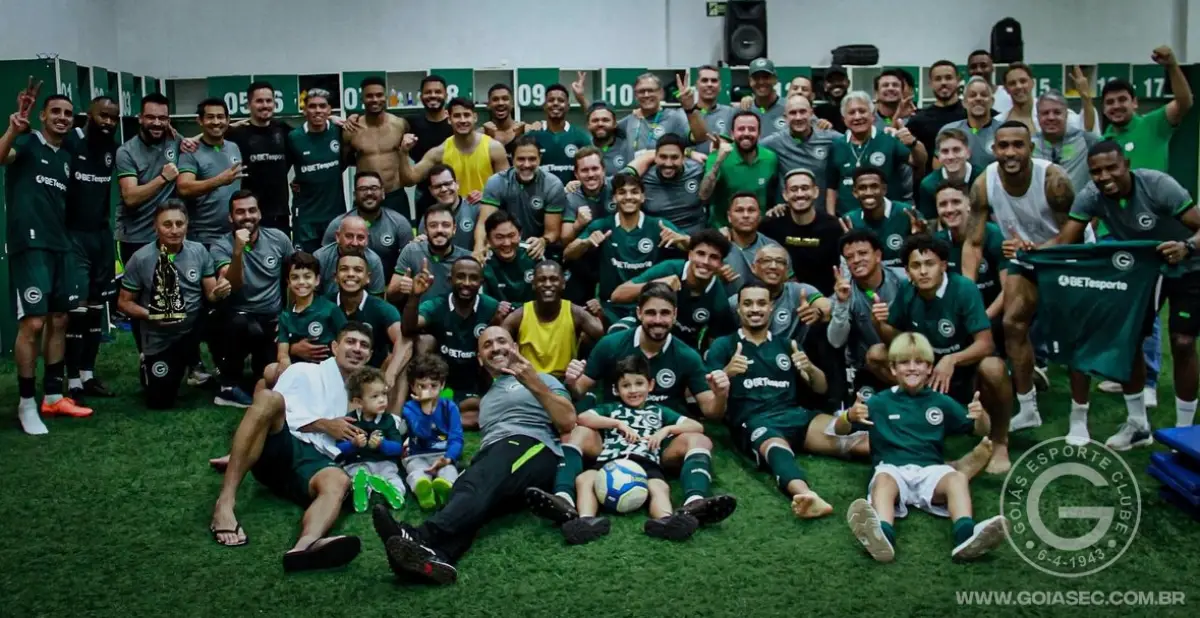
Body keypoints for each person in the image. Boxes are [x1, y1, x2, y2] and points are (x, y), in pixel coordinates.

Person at [527, 284, 736, 542]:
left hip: (656, 447)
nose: (657, 319)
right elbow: (580, 393)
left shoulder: (686, 356)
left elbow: (709, 413)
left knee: (698, 442)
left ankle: (692, 505)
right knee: (577, 437)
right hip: (609, 445)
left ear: (674, 315)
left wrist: (721, 394)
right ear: (638, 313)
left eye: (664, 313)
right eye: (650, 312)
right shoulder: (611, 345)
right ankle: (566, 503)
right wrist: (572, 381)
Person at [373, 326, 576, 584]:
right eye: (487, 345)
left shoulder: (544, 379)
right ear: (480, 359)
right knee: (465, 492)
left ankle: (418, 536)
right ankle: (436, 559)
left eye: (501, 341)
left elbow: (568, 421)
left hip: (531, 446)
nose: (496, 348)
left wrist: (533, 382)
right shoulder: (488, 397)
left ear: (515, 348)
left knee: (477, 482)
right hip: (495, 456)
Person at [1057, 141, 1200, 442]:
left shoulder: (1158, 185)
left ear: (1127, 165)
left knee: (1183, 342)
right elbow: (1064, 242)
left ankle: (1184, 431)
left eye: (1111, 168)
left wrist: (1186, 247)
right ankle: (1138, 426)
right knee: (1130, 340)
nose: (1104, 176)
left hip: (1188, 266)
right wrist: (1029, 249)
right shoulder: (1090, 195)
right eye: (1096, 171)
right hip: (1144, 271)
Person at [209, 322, 374, 571]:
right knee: (269, 398)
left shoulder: (361, 393)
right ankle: (225, 504)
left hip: (316, 462)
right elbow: (270, 414)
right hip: (283, 446)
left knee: (339, 482)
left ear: (369, 356)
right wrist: (323, 424)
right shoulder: (303, 371)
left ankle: (304, 547)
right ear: (334, 346)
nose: (357, 349)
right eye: (350, 342)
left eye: (364, 345)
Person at [838, 332, 1007, 563]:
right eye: (904, 362)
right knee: (883, 481)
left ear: (929, 368)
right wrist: (848, 416)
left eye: (919, 362)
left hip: (930, 470)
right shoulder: (879, 402)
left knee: (957, 479)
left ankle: (966, 535)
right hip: (893, 469)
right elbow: (838, 429)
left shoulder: (941, 402)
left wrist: (981, 416)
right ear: (893, 369)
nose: (912, 368)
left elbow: (980, 430)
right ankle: (882, 534)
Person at [962, 121, 1078, 439]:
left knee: (1073, 336)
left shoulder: (1053, 180)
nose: (1010, 152)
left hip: (1068, 257)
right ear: (994, 149)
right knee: (1012, 324)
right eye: (1003, 146)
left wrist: (1038, 250)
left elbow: (1074, 232)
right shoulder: (984, 183)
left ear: (1031, 148)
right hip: (1026, 259)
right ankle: (1027, 408)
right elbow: (973, 242)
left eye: (1018, 145)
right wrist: (967, 288)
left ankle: (1080, 413)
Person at [864, 235, 1014, 474]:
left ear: (943, 265)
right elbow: (896, 342)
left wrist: (952, 359)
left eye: (930, 264)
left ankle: (999, 441)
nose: (923, 271)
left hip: (967, 370)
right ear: (908, 271)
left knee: (994, 368)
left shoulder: (964, 289)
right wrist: (878, 323)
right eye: (916, 266)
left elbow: (985, 344)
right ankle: (921, 415)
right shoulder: (907, 291)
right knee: (876, 355)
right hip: (928, 372)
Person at [707, 285, 857, 519]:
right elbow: (711, 408)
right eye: (748, 303)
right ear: (738, 309)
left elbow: (821, 388)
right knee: (777, 449)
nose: (755, 309)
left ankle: (908, 463)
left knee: (852, 437)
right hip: (755, 421)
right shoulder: (723, 346)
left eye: (761, 303)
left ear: (771, 307)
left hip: (795, 415)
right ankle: (807, 496)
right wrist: (727, 373)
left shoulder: (787, 344)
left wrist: (810, 368)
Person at [2, 87, 93, 433]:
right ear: (43, 115)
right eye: (55, 111)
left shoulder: (66, 156)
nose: (62, 118)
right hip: (30, 244)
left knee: (60, 318)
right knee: (34, 323)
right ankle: (26, 403)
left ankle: (53, 396)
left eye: (68, 113)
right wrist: (12, 129)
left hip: (61, 245)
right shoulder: (28, 144)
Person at [566, 355, 708, 543]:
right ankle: (586, 521)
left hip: (645, 460)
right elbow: (583, 417)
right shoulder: (611, 408)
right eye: (626, 385)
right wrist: (617, 424)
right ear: (616, 390)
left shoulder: (658, 411)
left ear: (650, 385)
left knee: (659, 486)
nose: (633, 390)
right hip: (611, 460)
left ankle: (665, 521)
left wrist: (666, 430)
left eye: (639, 383)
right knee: (585, 479)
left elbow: (696, 426)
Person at [118, 201, 230, 409]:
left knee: (226, 316)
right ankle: (150, 363)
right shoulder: (140, 258)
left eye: (180, 224)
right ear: (155, 226)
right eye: (167, 224)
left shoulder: (199, 251)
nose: (175, 230)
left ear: (187, 225)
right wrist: (152, 315)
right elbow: (124, 303)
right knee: (160, 401)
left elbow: (211, 295)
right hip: (161, 336)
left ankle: (225, 376)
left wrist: (220, 290)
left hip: (193, 327)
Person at [564, 173, 689, 325]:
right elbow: (568, 254)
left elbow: (694, 248)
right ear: (614, 198)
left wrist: (682, 239)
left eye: (634, 192)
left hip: (649, 305)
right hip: (610, 307)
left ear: (643, 197)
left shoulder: (658, 225)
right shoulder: (602, 225)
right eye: (622, 192)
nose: (628, 197)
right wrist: (586, 243)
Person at [209, 190, 294, 407]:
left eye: (252, 210)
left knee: (267, 376)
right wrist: (238, 251)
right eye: (240, 212)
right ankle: (227, 387)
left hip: (271, 318)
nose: (247, 216)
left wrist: (288, 317)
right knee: (233, 322)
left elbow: (293, 279)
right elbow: (234, 284)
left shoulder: (279, 239)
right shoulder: (220, 245)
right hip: (238, 318)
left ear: (260, 213)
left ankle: (256, 373)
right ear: (230, 217)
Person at [64, 96, 120, 403]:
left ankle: (88, 374)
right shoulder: (71, 141)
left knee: (98, 307)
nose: (108, 122)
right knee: (78, 310)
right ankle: (72, 380)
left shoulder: (112, 148)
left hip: (101, 236)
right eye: (103, 116)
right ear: (89, 115)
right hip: (74, 237)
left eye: (113, 117)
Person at [402, 256, 498, 428]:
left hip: (474, 381)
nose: (466, 283)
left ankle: (441, 413)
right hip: (443, 380)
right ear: (450, 279)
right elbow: (408, 328)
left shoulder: (491, 307)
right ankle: (439, 404)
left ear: (481, 282)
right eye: (460, 276)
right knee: (424, 340)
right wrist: (415, 296)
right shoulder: (437, 304)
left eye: (473, 278)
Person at [613, 229, 736, 350]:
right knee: (618, 331)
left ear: (721, 263)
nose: (705, 261)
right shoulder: (669, 268)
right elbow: (617, 295)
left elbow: (715, 344)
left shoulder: (719, 298)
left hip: (680, 347)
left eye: (714, 257)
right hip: (642, 328)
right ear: (690, 255)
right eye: (700, 254)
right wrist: (656, 284)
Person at [827, 229, 907, 404]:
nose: (856, 260)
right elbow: (836, 341)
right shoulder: (844, 293)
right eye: (849, 257)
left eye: (862, 253)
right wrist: (842, 304)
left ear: (878, 256)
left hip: (909, 356)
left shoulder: (904, 280)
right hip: (870, 368)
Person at [932, 181, 1008, 351]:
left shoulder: (993, 234)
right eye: (943, 204)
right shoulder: (937, 242)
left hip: (993, 312)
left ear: (969, 205)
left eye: (956, 202)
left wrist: (981, 319)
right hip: (958, 316)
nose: (949, 209)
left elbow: (1008, 290)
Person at [827, 91, 926, 215]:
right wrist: (831, 218)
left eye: (862, 111)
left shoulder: (889, 139)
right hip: (848, 218)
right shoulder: (836, 145)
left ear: (872, 115)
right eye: (851, 113)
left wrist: (913, 143)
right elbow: (831, 187)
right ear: (844, 119)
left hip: (888, 218)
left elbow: (919, 161)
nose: (857, 117)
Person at [502, 260, 605, 378]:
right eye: (542, 279)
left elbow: (602, 338)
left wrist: (599, 314)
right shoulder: (519, 315)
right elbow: (499, 341)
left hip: (563, 382)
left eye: (553, 279)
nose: (547, 284)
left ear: (563, 283)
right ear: (533, 284)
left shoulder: (575, 313)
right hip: (528, 380)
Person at [1100, 46, 1193, 174]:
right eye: (1110, 102)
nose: (1116, 106)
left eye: (1122, 99)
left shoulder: (1153, 124)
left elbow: (1184, 102)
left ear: (1134, 103)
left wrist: (1172, 66)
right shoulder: (1102, 143)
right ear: (1104, 109)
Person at [399, 97, 509, 204]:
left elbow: (507, 186)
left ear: (475, 117)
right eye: (457, 116)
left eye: (467, 115)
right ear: (449, 119)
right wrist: (403, 152)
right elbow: (410, 180)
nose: (462, 120)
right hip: (454, 213)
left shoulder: (494, 148)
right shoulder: (439, 152)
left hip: (486, 210)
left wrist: (486, 195)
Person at [116, 93, 182, 266]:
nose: (157, 123)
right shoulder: (127, 151)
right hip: (136, 237)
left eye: (162, 118)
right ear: (140, 118)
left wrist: (231, 127)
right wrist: (163, 178)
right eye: (151, 117)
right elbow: (130, 197)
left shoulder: (174, 140)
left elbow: (198, 142)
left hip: (169, 235)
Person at [329, 251, 407, 395]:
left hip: (371, 378)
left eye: (358, 270)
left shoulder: (382, 309)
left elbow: (404, 341)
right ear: (335, 277)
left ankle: (392, 410)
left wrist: (390, 374)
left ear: (367, 278)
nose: (351, 274)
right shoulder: (325, 305)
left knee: (400, 364)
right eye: (344, 269)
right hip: (331, 376)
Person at [475, 135, 566, 255]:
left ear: (540, 159)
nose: (526, 164)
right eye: (521, 159)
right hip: (502, 246)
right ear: (512, 159)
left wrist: (543, 241)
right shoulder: (496, 182)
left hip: (536, 249)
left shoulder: (552, 185)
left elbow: (552, 232)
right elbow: (484, 222)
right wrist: (478, 248)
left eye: (532, 159)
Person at [268, 252, 346, 384]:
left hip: (326, 370)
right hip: (298, 369)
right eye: (295, 277)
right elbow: (283, 352)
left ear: (317, 280)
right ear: (288, 282)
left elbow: (346, 338)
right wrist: (284, 361)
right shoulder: (285, 316)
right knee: (269, 372)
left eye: (307, 277)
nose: (301, 282)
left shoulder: (330, 309)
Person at [225, 81, 293, 233]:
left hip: (279, 214)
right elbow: (210, 141)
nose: (265, 105)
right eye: (259, 101)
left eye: (269, 101)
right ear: (248, 105)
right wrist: (191, 141)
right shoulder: (235, 134)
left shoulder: (284, 131)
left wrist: (333, 119)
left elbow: (310, 136)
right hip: (247, 214)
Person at [762, 169, 843, 294]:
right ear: (785, 195)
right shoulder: (771, 225)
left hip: (826, 297)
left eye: (805, 188)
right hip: (783, 297)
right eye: (794, 189)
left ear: (816, 192)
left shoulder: (833, 227)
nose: (800, 194)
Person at [176, 98, 244, 247]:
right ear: (200, 121)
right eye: (210, 117)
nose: (216, 122)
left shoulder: (233, 148)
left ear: (228, 120)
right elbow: (183, 188)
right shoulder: (190, 151)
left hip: (233, 235)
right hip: (202, 237)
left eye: (220, 117)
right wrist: (219, 181)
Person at [338, 366, 407, 513]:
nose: (382, 400)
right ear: (358, 401)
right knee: (356, 475)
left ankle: (395, 492)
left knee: (392, 476)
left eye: (384, 394)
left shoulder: (388, 420)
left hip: (384, 462)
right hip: (358, 462)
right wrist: (353, 444)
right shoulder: (350, 420)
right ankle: (361, 493)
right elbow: (339, 448)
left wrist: (382, 444)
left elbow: (398, 448)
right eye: (375, 396)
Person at [287, 88, 348, 253]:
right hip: (306, 217)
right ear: (304, 110)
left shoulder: (339, 131)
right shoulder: (294, 137)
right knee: (306, 262)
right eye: (312, 106)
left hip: (335, 214)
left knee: (335, 260)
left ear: (329, 110)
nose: (318, 110)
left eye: (322, 106)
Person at [400, 354, 463, 509]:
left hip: (442, 454)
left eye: (433, 386)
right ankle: (425, 493)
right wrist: (426, 408)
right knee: (417, 472)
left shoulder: (450, 407)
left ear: (442, 385)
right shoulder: (409, 408)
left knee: (449, 471)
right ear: (412, 386)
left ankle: (445, 489)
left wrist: (448, 458)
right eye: (422, 386)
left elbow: (456, 438)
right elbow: (422, 433)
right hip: (417, 454)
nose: (428, 391)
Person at [322, 171, 413, 276]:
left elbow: (409, 261)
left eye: (374, 188)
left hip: (389, 284)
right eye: (363, 189)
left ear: (383, 193)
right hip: (347, 282)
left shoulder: (399, 223)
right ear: (355, 195)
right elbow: (325, 260)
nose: (369, 193)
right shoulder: (338, 225)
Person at [760, 95, 841, 214]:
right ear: (785, 117)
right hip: (788, 215)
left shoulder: (830, 138)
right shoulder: (774, 142)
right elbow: (749, 146)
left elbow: (851, 142)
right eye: (793, 113)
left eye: (803, 112)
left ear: (811, 114)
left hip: (822, 215)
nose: (798, 117)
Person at [730, 245, 825, 342]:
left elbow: (827, 306)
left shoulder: (800, 292)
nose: (773, 266)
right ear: (753, 267)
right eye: (766, 260)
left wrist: (819, 313)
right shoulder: (735, 302)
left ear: (788, 270)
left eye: (780, 262)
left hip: (791, 350)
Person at [345, 76, 411, 216]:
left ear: (385, 97)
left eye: (379, 95)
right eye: (369, 96)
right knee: (362, 231)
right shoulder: (352, 129)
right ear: (362, 99)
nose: (375, 99)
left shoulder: (400, 125)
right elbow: (341, 162)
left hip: (395, 195)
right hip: (365, 197)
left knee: (402, 230)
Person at [699, 112, 777, 228]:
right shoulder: (717, 157)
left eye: (752, 129)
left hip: (759, 228)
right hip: (723, 229)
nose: (746, 133)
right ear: (732, 133)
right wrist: (718, 161)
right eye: (741, 129)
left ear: (759, 133)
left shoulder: (770, 158)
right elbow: (704, 195)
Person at [623, 134, 708, 234]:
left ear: (683, 158)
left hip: (694, 237)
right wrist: (645, 157)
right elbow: (617, 183)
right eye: (663, 157)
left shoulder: (698, 170)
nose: (668, 163)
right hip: (656, 236)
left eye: (674, 157)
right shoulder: (643, 175)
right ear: (655, 157)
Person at [390, 204, 474, 303]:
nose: (439, 230)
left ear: (454, 229)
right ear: (425, 230)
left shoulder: (467, 259)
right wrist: (401, 287)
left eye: (446, 225)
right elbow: (391, 296)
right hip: (417, 311)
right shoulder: (411, 251)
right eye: (433, 225)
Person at [841, 165, 917, 269]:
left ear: (884, 189)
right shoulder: (849, 220)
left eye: (874, 187)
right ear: (855, 193)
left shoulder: (906, 213)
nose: (868, 193)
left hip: (903, 274)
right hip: (866, 276)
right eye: (862, 188)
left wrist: (920, 235)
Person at [406, 75, 454, 221]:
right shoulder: (411, 124)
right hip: (424, 192)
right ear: (421, 96)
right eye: (428, 92)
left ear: (446, 95)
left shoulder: (456, 124)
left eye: (438, 92)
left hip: (453, 191)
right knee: (425, 231)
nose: (433, 95)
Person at [1032, 88, 1099, 192]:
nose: (1051, 117)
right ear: (1038, 117)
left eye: (1057, 112)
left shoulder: (1087, 140)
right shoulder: (1030, 144)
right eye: (1045, 113)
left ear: (1066, 115)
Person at [618, 72, 706, 151]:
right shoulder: (629, 120)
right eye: (641, 91)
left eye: (651, 90)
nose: (646, 95)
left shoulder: (675, 118)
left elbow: (700, 137)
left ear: (661, 93)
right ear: (635, 95)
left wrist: (690, 108)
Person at [905, 61, 967, 172]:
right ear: (931, 83)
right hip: (932, 180)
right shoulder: (918, 121)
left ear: (958, 81)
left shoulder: (970, 114)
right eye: (938, 79)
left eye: (948, 78)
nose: (943, 82)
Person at [1000, 64, 1093, 135]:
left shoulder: (1052, 110)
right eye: (1012, 83)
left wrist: (1086, 98)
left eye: (1023, 81)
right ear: (1006, 89)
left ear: (1032, 83)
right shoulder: (1000, 121)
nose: (1019, 86)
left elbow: (1085, 128)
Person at [722, 193, 789, 293]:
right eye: (739, 210)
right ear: (729, 216)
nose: (746, 215)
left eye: (751, 210)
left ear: (759, 216)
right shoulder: (716, 246)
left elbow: (788, 286)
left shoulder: (774, 248)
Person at [528, 84, 592, 185]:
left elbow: (590, 171)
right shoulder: (531, 137)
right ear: (544, 106)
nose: (555, 103)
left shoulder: (581, 137)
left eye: (561, 100)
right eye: (551, 100)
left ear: (568, 107)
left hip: (572, 194)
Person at [313, 216, 388, 297]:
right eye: (349, 236)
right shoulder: (320, 257)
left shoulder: (373, 261)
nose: (355, 243)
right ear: (338, 236)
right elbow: (312, 294)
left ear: (367, 239)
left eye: (360, 237)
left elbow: (377, 297)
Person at [917, 128, 982, 219]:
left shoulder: (983, 177)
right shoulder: (929, 185)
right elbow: (930, 222)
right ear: (938, 156)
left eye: (956, 150)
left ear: (968, 153)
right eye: (945, 151)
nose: (951, 156)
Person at [481, 209, 541, 305]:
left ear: (520, 235)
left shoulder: (533, 252)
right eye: (499, 237)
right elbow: (482, 302)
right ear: (488, 239)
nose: (507, 243)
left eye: (511, 235)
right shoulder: (483, 262)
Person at [937, 78, 998, 171]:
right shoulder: (949, 130)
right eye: (973, 95)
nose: (978, 98)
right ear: (964, 102)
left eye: (984, 95)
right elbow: (939, 168)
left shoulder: (1003, 131)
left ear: (992, 101)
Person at [419, 163, 479, 251]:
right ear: (431, 190)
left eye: (447, 184)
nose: (444, 189)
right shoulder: (428, 217)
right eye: (437, 186)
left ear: (457, 184)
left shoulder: (476, 209)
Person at [694, 64, 736, 149]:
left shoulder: (731, 113)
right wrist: (689, 153)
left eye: (714, 81)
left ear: (720, 86)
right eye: (704, 80)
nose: (709, 84)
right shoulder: (684, 114)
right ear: (696, 85)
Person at [585, 103, 634, 173]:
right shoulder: (583, 149)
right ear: (588, 125)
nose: (600, 124)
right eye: (595, 120)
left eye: (605, 120)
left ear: (615, 124)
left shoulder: (628, 149)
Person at [745, 58, 786, 133]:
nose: (761, 82)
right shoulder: (745, 109)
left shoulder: (789, 107)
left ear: (775, 79)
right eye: (756, 78)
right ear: (750, 81)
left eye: (766, 77)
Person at [482, 84, 529, 148]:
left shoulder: (525, 131)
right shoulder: (481, 134)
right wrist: (487, 137)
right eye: (495, 99)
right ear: (488, 105)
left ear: (512, 104)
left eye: (505, 99)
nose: (500, 103)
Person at [966, 50, 1012, 115]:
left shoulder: (1008, 94)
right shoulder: (963, 98)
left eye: (983, 66)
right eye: (973, 67)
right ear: (968, 70)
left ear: (992, 68)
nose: (978, 70)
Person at [813, 65, 849, 133]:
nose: (836, 83)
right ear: (825, 86)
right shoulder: (817, 112)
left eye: (840, 79)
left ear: (848, 83)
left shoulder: (855, 109)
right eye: (831, 80)